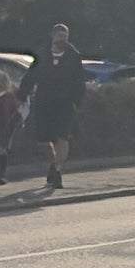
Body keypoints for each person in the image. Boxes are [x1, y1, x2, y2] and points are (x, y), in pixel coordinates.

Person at [15, 25, 91, 191]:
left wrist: (79, 101)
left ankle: (57, 171)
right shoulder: (43, 54)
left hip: (64, 104)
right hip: (45, 101)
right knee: (51, 138)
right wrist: (21, 94)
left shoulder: (73, 56)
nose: (62, 38)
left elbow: (79, 80)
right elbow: (31, 76)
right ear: (52, 36)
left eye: (65, 35)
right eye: (59, 35)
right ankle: (54, 164)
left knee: (62, 136)